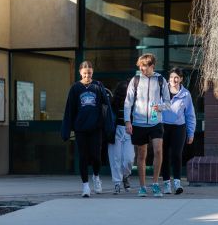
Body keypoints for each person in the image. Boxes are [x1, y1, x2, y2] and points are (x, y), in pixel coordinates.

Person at [61, 61, 112, 197]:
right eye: (84, 73)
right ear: (80, 73)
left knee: (96, 156)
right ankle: (85, 186)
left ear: (92, 72)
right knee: (83, 157)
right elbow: (69, 110)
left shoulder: (98, 86)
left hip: (96, 128)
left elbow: (106, 106)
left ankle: (96, 176)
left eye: (89, 73)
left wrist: (108, 126)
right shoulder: (75, 88)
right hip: (81, 128)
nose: (87, 75)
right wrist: (66, 130)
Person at [124, 53, 171, 197]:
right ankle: (142, 187)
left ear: (152, 66)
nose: (141, 69)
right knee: (141, 155)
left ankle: (156, 184)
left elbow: (168, 103)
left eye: (144, 66)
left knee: (158, 151)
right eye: (140, 66)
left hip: (156, 122)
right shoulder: (135, 80)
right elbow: (128, 102)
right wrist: (127, 121)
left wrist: (160, 107)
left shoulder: (161, 80)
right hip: (138, 122)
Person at [161, 67, 196, 195]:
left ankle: (177, 183)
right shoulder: (162, 91)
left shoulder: (186, 94)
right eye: (171, 77)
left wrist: (191, 132)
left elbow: (190, 115)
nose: (173, 80)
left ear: (181, 79)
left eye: (176, 77)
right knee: (163, 155)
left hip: (179, 128)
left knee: (176, 154)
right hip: (163, 127)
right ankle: (166, 183)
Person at [107, 80, 135, 194]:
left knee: (129, 159)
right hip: (116, 131)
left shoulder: (134, 103)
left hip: (129, 131)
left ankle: (126, 176)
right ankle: (117, 183)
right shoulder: (113, 103)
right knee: (115, 159)